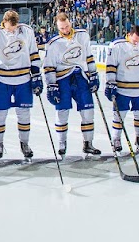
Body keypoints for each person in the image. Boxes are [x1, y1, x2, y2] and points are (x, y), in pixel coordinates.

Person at [0, 9, 41, 161]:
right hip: (2, 79)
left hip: (23, 80)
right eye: (9, 28)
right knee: (0, 114)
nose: (12, 30)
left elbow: (33, 53)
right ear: (4, 23)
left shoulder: (26, 31)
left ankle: (24, 143)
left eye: (14, 28)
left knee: (24, 113)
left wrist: (36, 75)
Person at [43, 11, 101, 157]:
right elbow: (48, 66)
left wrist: (93, 74)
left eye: (67, 26)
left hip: (81, 77)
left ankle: (88, 143)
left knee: (88, 111)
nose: (65, 30)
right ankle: (62, 143)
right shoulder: (53, 43)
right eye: (62, 28)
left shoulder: (82, 35)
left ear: (71, 22)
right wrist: (51, 85)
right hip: (62, 79)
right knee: (62, 112)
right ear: (57, 27)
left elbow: (89, 56)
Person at [105, 25, 139, 152]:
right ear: (129, 35)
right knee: (119, 115)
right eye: (135, 40)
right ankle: (116, 139)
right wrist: (110, 83)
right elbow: (111, 66)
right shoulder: (117, 45)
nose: (137, 43)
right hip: (123, 88)